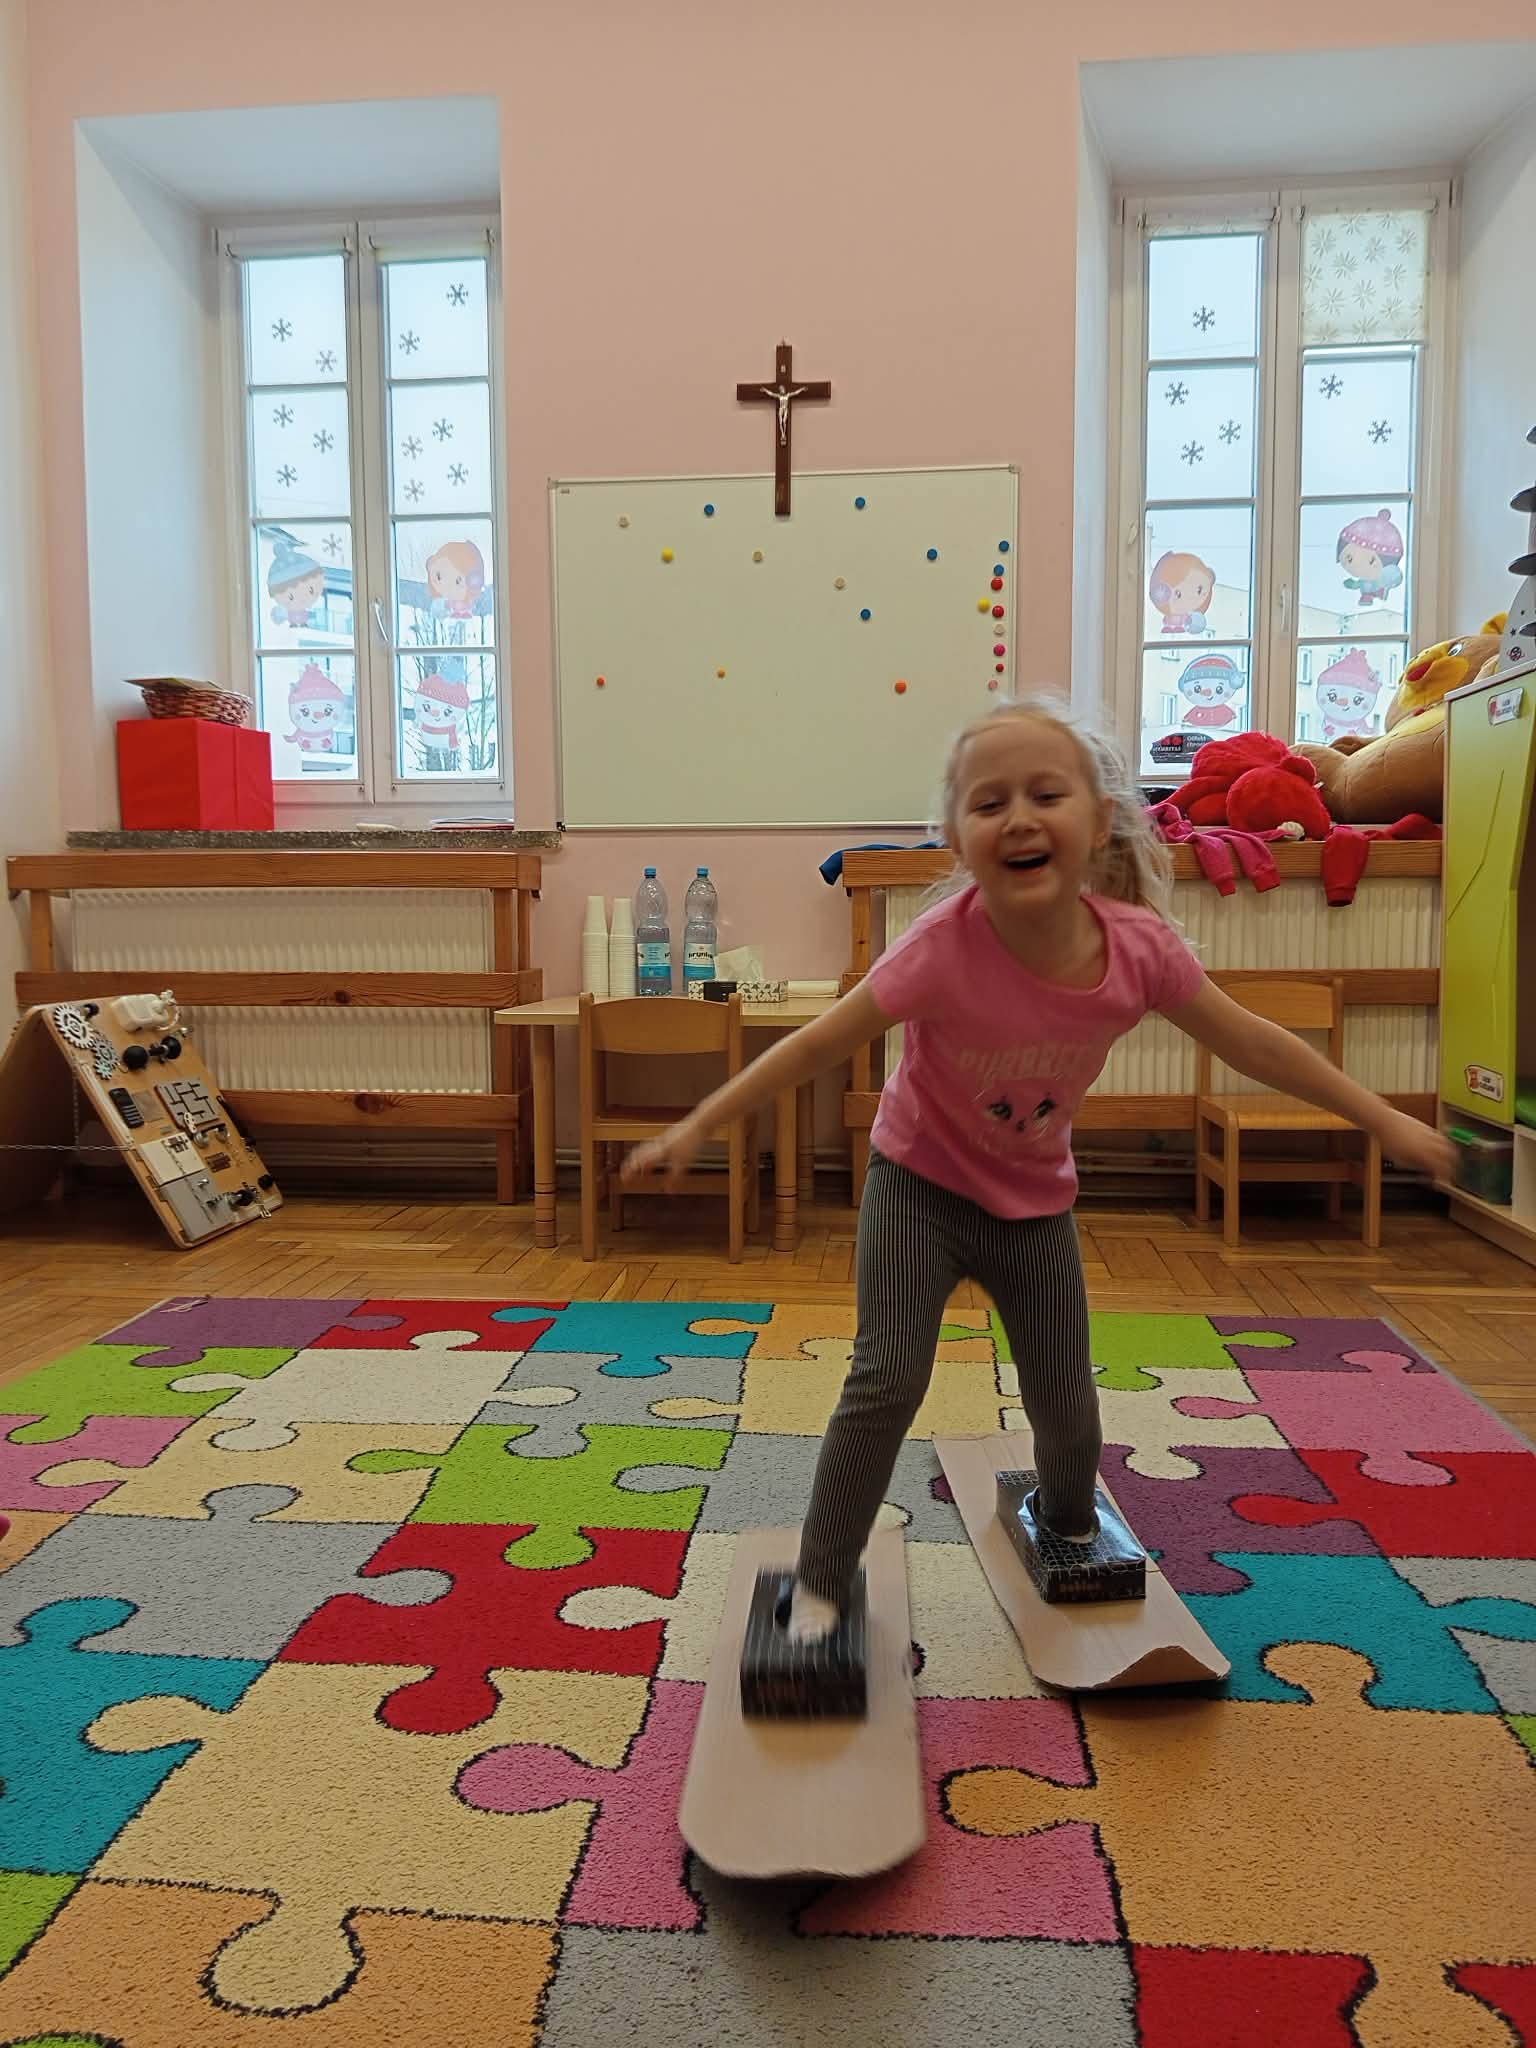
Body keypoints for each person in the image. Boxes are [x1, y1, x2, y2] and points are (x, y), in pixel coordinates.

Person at [622, 693, 1454, 1644]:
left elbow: (1256, 1043)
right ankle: (819, 1581)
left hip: (1033, 1206)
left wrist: (1382, 1118)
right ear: (956, 837)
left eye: (1046, 795)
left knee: (1064, 1401)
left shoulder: (1137, 950)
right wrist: (701, 1123)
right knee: (886, 1380)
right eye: (989, 803)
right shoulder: (940, 947)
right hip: (917, 1188)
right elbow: (817, 1044)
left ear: (1097, 822)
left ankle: (1067, 1523)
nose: (1018, 817)